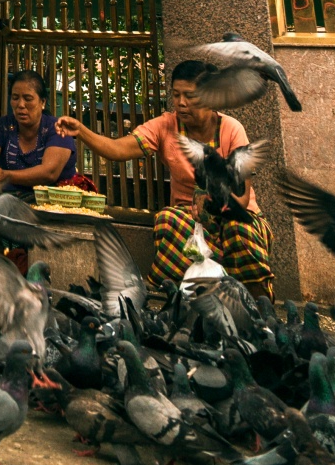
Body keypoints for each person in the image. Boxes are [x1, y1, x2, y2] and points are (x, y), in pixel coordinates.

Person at [55, 58, 274, 298]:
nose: (181, 103)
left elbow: (241, 201)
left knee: (237, 228)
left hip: (238, 219)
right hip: (190, 225)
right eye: (176, 95)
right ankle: (191, 293)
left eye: (189, 96)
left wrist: (211, 203)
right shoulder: (164, 126)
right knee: (167, 219)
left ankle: (258, 300)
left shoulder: (232, 128)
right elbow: (118, 150)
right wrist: (82, 132)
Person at [0, 69, 87, 195]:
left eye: (28, 99)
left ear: (42, 102)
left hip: (55, 205)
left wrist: (8, 175)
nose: (21, 105)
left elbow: (49, 172)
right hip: (10, 201)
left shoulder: (57, 128)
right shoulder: (3, 126)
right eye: (15, 98)